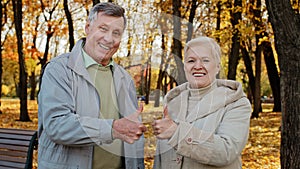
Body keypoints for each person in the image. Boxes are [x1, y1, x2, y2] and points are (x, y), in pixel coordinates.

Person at [38, 2, 146, 169]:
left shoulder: (124, 78)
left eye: (116, 33)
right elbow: (57, 125)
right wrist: (112, 128)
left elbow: (132, 133)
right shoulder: (59, 69)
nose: (109, 39)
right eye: (103, 29)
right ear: (88, 28)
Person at [152, 36, 252, 169]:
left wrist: (178, 133)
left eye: (205, 60)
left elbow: (227, 151)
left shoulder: (236, 103)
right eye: (191, 60)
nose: (197, 66)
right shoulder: (172, 104)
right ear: (185, 66)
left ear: (217, 66)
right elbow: (160, 160)